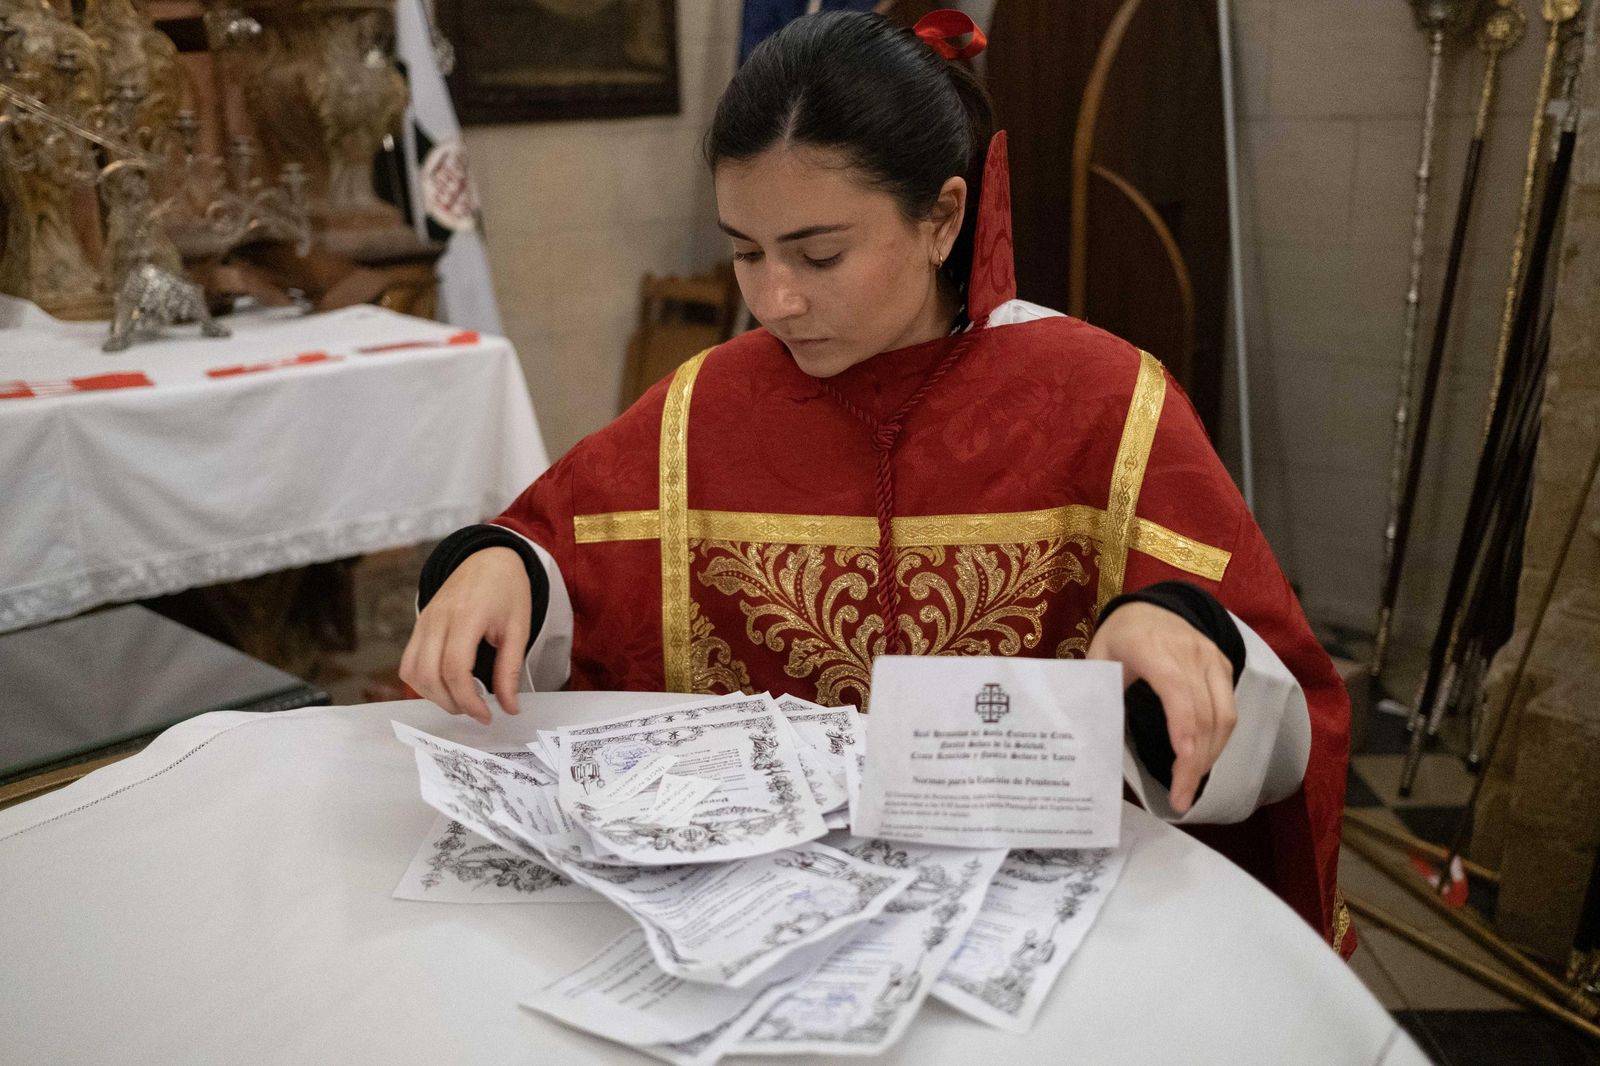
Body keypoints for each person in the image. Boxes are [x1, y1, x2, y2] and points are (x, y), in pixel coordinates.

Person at [400, 10, 1353, 955]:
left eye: (819, 255)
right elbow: (561, 553)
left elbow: (1278, 698)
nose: (775, 300)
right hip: (765, 935)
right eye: (746, 251)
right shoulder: (706, 405)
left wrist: (1178, 631)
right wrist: (502, 567)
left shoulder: (1103, 401)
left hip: (1029, 929)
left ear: (942, 217)